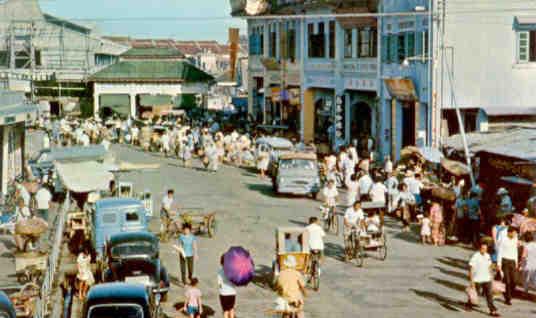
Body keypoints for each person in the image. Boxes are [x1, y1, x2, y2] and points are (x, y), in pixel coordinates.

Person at [467, 241, 499, 317]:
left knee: (489, 295)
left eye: (485, 249)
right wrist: (471, 281)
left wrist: (492, 276)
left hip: (486, 279)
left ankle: (492, 310)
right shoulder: (475, 256)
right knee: (475, 294)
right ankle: (469, 304)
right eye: (482, 248)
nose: (483, 250)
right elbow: (471, 269)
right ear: (479, 248)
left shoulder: (487, 256)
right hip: (477, 279)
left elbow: (489, 267)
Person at [497, 227, 518, 305]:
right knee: (507, 281)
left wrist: (516, 262)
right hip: (504, 260)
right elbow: (500, 252)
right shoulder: (504, 240)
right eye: (514, 233)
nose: (515, 234)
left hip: (512, 261)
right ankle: (507, 298)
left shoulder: (515, 239)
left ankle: (509, 294)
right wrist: (499, 264)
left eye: (516, 233)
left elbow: (515, 251)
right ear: (509, 233)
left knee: (514, 280)